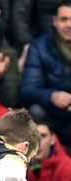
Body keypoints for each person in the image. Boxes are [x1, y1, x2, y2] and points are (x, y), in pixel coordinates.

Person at [21, 0, 71, 147]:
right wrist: (52, 96)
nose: (69, 24)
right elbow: (28, 90)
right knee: (35, 111)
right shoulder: (39, 47)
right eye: (64, 19)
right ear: (55, 21)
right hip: (52, 112)